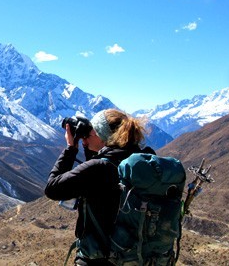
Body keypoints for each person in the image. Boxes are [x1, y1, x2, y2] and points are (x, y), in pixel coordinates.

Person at [45, 109, 155, 266]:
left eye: (90, 133)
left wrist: (71, 149)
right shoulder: (142, 163)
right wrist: (88, 147)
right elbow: (100, 173)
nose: (86, 137)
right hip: (139, 259)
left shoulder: (99, 168)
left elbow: (52, 188)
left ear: (103, 137)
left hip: (99, 261)